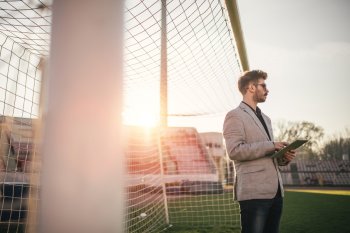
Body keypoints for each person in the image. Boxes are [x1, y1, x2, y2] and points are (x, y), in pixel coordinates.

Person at [223, 70, 296, 233]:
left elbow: (269, 155)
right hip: (253, 192)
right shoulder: (234, 115)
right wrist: (271, 145)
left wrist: (283, 157)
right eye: (263, 85)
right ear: (251, 87)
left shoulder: (267, 119)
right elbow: (234, 151)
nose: (267, 90)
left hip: (276, 192)